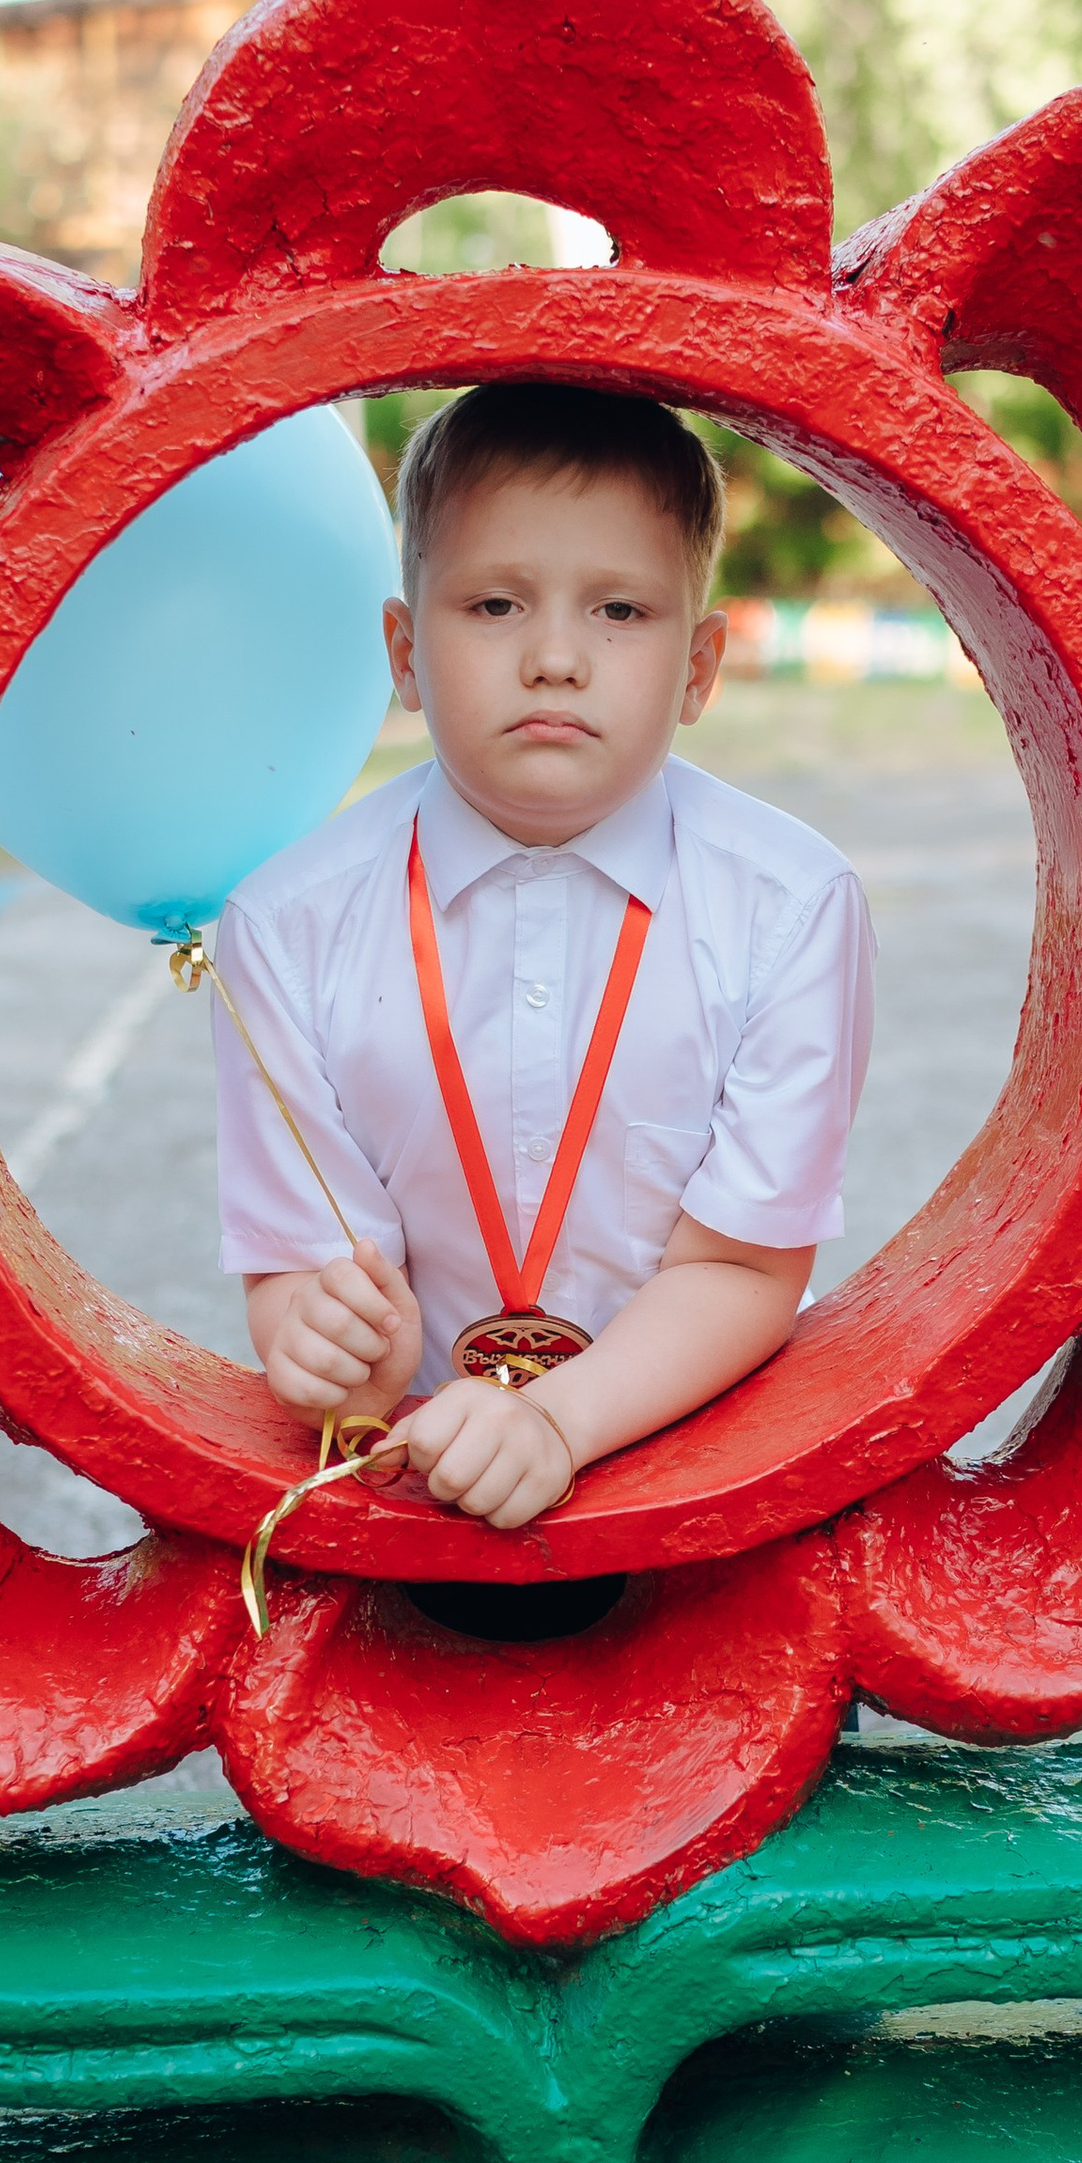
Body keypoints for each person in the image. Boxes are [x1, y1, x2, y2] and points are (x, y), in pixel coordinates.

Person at [212, 381, 876, 1533]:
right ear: (404, 653)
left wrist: (557, 1422)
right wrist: (333, 1354)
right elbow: (305, 1271)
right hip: (417, 1475)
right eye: (494, 603)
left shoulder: (794, 905)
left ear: (700, 666)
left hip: (701, 1466)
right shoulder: (282, 926)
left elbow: (742, 1267)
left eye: (619, 609)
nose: (556, 657)